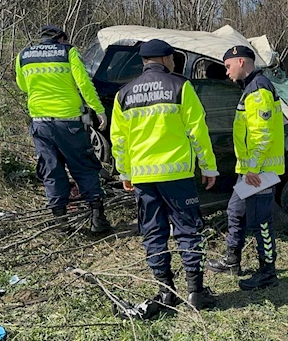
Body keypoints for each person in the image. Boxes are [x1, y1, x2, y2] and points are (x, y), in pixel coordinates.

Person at [109, 39, 219, 316]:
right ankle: (196, 291)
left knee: (153, 233)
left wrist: (125, 172)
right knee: (188, 230)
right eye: (173, 58)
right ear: (167, 59)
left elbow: (118, 140)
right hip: (177, 175)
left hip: (144, 178)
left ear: (144, 62)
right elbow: (197, 130)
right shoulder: (181, 87)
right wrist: (208, 167)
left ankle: (166, 293)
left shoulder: (124, 93)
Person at [15, 25, 110, 233]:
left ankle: (61, 223)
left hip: (41, 123)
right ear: (61, 39)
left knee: (51, 169)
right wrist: (98, 110)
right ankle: (97, 220)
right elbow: (84, 83)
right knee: (84, 166)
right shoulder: (68, 52)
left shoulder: (24, 55)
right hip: (69, 122)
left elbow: (23, 86)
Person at [207, 45, 284, 291]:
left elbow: (263, 135)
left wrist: (252, 168)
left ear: (241, 61)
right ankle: (232, 261)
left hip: (259, 172)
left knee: (261, 222)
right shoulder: (251, 88)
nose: (227, 72)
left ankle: (267, 272)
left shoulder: (258, 89)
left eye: (228, 66)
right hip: (252, 170)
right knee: (235, 211)